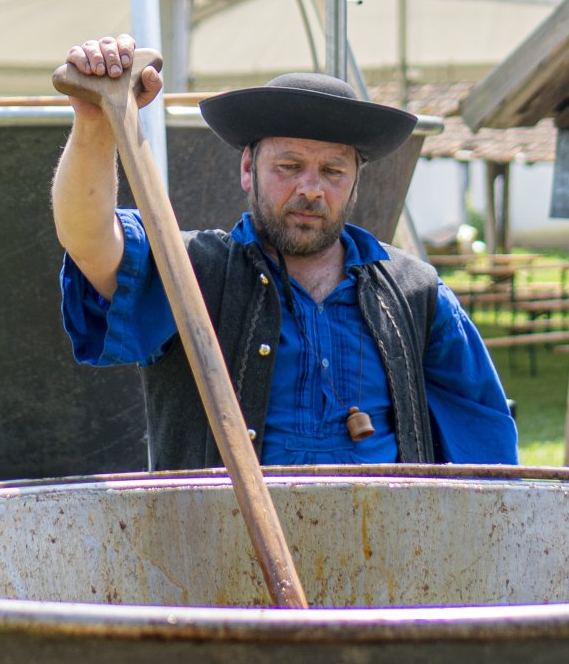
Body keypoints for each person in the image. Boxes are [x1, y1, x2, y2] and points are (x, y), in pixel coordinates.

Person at [53, 32, 518, 470]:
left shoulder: (416, 294)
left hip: (384, 547)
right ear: (248, 170)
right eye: (289, 166)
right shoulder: (189, 272)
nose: (311, 189)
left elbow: (488, 444)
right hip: (225, 550)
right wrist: (95, 124)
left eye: (333, 171)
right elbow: (89, 238)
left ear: (356, 183)